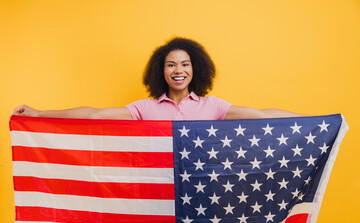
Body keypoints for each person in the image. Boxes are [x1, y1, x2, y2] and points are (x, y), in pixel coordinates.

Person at [12, 37, 302, 120]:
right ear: (161, 71)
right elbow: (95, 114)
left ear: (195, 69)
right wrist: (39, 113)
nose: (179, 70)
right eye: (171, 65)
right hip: (157, 194)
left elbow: (262, 116)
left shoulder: (213, 107)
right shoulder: (144, 109)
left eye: (185, 64)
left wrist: (319, 121)